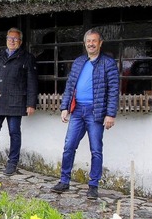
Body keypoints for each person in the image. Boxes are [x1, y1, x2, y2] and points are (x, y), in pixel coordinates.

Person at [51, 29, 119, 199]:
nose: (91, 44)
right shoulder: (79, 62)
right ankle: (64, 181)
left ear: (100, 43)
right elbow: (70, 86)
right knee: (69, 146)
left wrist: (110, 114)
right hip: (78, 110)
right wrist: (65, 107)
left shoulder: (108, 63)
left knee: (96, 149)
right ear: (85, 43)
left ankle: (93, 186)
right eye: (88, 41)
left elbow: (113, 90)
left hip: (95, 112)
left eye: (94, 41)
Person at [0, 27, 38, 176]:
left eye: (15, 39)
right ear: (6, 40)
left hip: (16, 101)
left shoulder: (27, 58)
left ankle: (12, 163)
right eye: (9, 38)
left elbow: (32, 82)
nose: (12, 41)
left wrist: (31, 103)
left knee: (14, 133)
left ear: (20, 41)